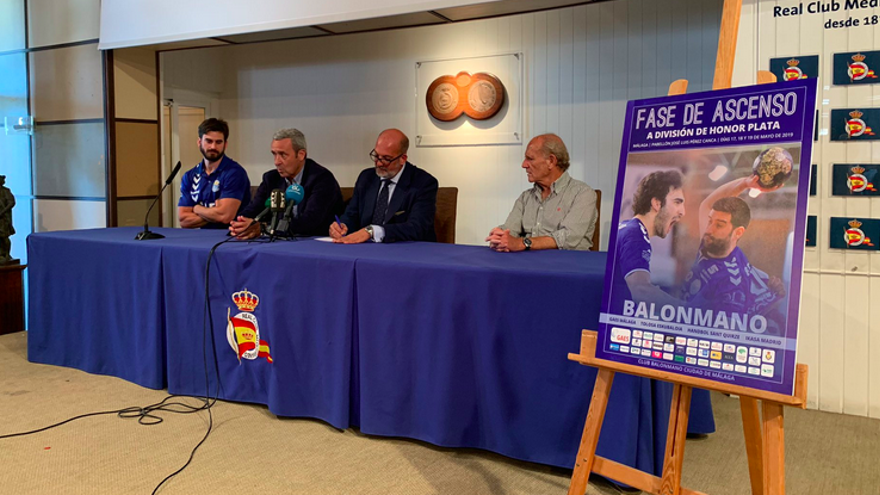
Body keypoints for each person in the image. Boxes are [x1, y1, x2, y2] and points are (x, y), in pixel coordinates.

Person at [681, 176, 785, 323]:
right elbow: (707, 204)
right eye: (710, 221)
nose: (709, 229)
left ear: (738, 232)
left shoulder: (731, 275)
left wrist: (769, 290)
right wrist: (745, 183)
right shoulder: (714, 248)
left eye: (719, 225)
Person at [486, 134, 598, 252]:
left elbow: (568, 238)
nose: (524, 165)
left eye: (530, 158)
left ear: (551, 161)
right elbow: (510, 230)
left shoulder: (583, 194)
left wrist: (523, 243)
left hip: (568, 266)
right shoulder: (525, 197)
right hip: (528, 265)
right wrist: (500, 237)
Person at [230, 128, 343, 239]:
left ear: (301, 154)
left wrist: (265, 228)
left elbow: (310, 222)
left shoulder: (321, 179)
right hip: (282, 242)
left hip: (314, 244)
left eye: (283, 155)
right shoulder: (271, 178)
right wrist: (240, 224)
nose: (276, 162)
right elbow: (253, 209)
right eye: (274, 154)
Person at [330, 129, 438, 244]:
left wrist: (373, 231)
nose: (379, 163)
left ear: (403, 159)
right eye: (376, 156)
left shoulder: (423, 183)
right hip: (365, 250)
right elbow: (352, 214)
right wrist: (342, 226)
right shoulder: (366, 178)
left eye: (386, 159)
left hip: (405, 251)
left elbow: (417, 228)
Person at [610, 170, 685, 313]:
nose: (683, 212)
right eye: (677, 202)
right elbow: (641, 290)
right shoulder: (635, 235)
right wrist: (690, 311)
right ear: (657, 203)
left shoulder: (628, 227)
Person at [178, 118, 251, 229]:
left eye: (218, 142)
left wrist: (197, 208)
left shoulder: (235, 173)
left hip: (229, 239)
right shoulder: (189, 176)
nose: (213, 147)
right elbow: (183, 220)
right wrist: (214, 213)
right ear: (199, 142)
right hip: (199, 239)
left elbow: (225, 216)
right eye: (208, 141)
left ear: (225, 144)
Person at [0, 175, 15, 263]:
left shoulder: (6, 191)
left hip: (3, 219)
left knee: (4, 237)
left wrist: (2, 212)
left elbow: (11, 202)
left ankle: (6, 254)